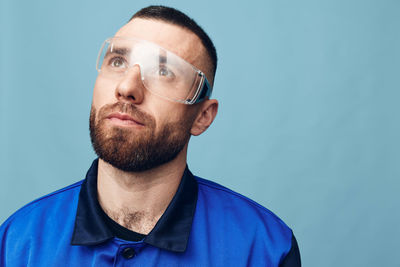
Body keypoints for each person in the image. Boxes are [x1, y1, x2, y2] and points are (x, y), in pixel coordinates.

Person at [0, 5, 301, 267]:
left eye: (164, 71)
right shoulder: (17, 242)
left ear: (202, 116)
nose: (127, 87)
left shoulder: (264, 249)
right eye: (117, 61)